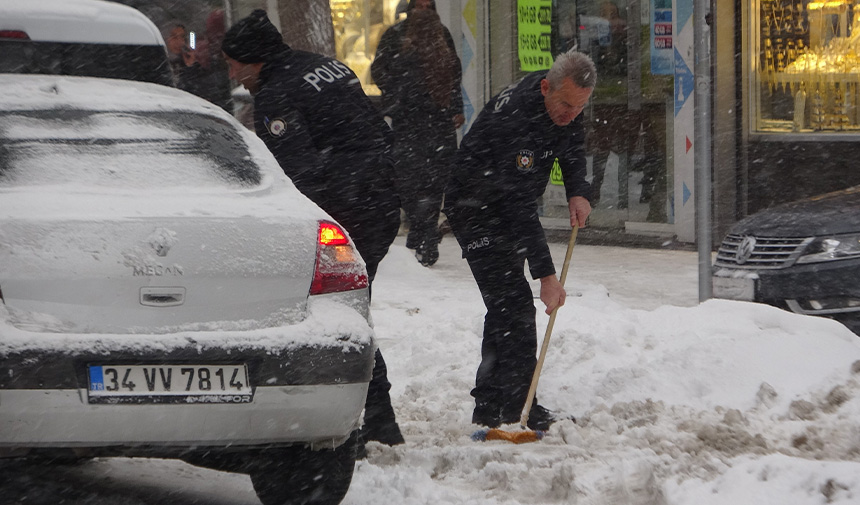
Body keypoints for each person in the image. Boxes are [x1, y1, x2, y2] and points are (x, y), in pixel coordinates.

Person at [221, 9, 404, 447]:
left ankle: (369, 422)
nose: (232, 74)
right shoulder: (326, 66)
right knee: (354, 310)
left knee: (341, 315)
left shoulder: (276, 95)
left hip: (348, 208)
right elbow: (371, 132)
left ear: (253, 60)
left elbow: (301, 174)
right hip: (381, 199)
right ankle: (380, 422)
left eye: (233, 64)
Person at [443, 50, 596, 431]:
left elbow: (572, 141)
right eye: (565, 105)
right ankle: (517, 408)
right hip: (475, 207)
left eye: (580, 107)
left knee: (504, 305)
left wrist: (579, 190)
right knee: (513, 306)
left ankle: (492, 404)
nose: (571, 114)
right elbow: (519, 205)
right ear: (546, 87)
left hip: (504, 203)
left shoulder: (563, 105)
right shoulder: (516, 120)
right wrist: (545, 275)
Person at [371, 0, 464, 267]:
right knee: (408, 179)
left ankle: (425, 234)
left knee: (437, 180)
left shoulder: (442, 34)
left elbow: (453, 73)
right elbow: (379, 71)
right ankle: (421, 227)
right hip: (409, 121)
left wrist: (456, 106)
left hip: (439, 120)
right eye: (418, 5)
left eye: (427, 6)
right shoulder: (396, 35)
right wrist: (400, 94)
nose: (423, 11)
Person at [165, 23, 204, 95]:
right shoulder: (160, 64)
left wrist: (190, 67)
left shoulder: (189, 63)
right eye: (174, 37)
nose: (179, 42)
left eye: (182, 37)